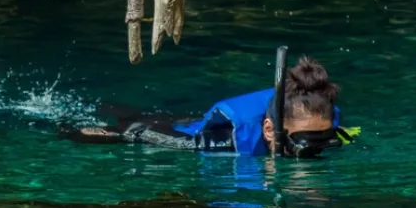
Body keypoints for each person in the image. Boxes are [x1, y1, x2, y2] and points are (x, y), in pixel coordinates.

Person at [65, 49, 357, 159]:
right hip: (194, 134)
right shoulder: (221, 142)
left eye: (325, 141)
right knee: (134, 128)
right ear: (270, 131)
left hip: (223, 118)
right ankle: (64, 122)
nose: (316, 151)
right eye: (306, 144)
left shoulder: (318, 113)